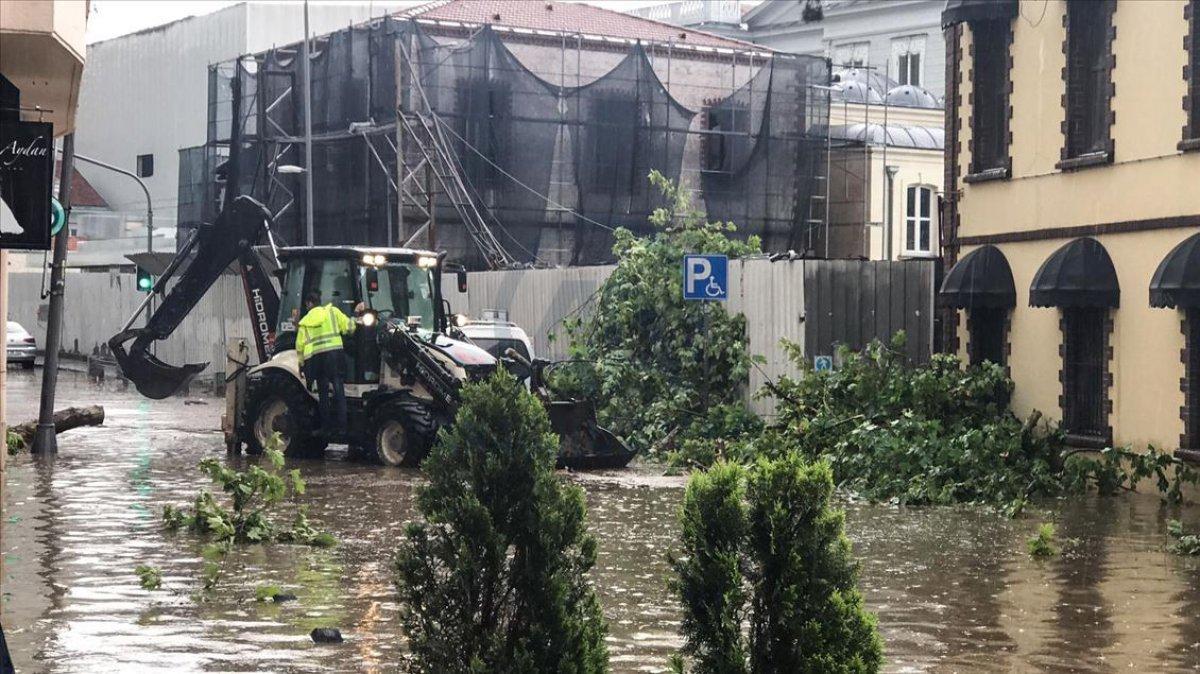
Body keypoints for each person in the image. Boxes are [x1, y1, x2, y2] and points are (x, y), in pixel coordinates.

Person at [295, 292, 361, 435]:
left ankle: (326, 427)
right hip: (335, 356)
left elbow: (300, 347)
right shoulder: (332, 312)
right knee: (339, 391)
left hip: (317, 360)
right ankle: (342, 428)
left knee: (323, 394)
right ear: (319, 301)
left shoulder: (305, 322)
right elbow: (350, 328)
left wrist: (301, 365)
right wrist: (355, 314)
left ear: (309, 304)